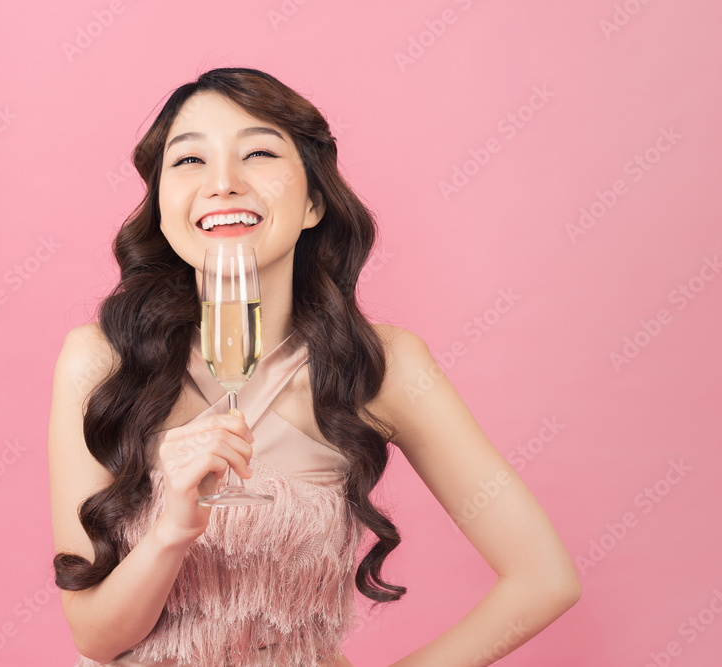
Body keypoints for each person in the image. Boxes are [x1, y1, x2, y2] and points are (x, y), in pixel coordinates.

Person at [48, 67, 581, 667]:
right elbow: (94, 637)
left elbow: (544, 579)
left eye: (257, 153)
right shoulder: (100, 362)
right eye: (190, 161)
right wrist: (171, 529)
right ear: (165, 211)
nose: (223, 183)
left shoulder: (384, 366)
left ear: (312, 203)